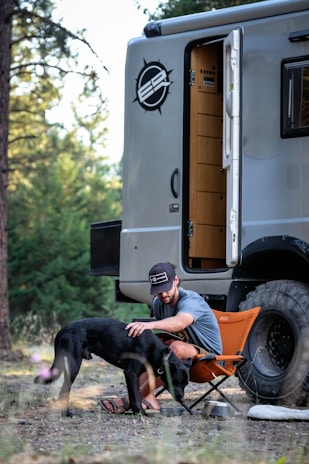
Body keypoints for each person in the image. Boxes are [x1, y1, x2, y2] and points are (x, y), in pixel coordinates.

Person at [100, 262, 222, 414]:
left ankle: (132, 400)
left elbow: (180, 322)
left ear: (176, 281)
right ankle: (148, 397)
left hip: (209, 357)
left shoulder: (191, 300)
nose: (163, 295)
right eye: (158, 291)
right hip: (182, 357)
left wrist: (150, 325)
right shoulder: (159, 302)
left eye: (166, 289)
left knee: (173, 350)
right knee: (150, 348)